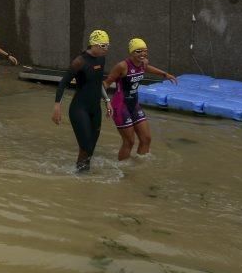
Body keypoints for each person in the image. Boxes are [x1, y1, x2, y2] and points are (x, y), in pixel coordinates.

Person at [104, 38, 177, 160]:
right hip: (120, 106)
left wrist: (165, 75)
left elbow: (147, 68)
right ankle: (123, 171)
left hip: (134, 104)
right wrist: (105, 101)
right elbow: (106, 83)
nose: (142, 54)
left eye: (145, 51)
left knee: (146, 138)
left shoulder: (143, 62)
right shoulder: (122, 66)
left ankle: (139, 166)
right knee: (129, 142)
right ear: (131, 53)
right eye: (138, 51)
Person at [52, 30, 113, 173]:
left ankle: (82, 175)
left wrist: (107, 100)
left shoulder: (101, 59)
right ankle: (80, 176)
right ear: (94, 45)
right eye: (104, 46)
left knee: (90, 147)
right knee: (86, 146)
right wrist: (57, 106)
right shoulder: (79, 61)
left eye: (107, 45)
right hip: (80, 109)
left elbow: (98, 82)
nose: (107, 49)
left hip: (95, 109)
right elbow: (63, 83)